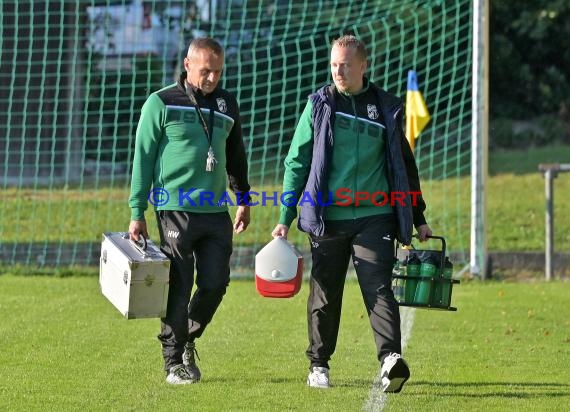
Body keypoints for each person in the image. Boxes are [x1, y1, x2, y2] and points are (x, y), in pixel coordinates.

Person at [271, 35, 432, 392]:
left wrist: (418, 216)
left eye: (344, 64)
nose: (338, 70)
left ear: (363, 65)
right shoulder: (319, 105)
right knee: (325, 293)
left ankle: (390, 360)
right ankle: (318, 365)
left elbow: (404, 166)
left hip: (376, 216)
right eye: (333, 64)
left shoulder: (386, 107)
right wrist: (284, 217)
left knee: (379, 287)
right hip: (329, 218)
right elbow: (296, 162)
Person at [128, 37, 251, 385]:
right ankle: (172, 363)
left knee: (216, 282)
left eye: (217, 71)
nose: (211, 78)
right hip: (174, 209)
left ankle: (187, 339)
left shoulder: (227, 103)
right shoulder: (160, 103)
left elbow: (236, 154)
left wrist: (243, 198)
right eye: (205, 71)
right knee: (178, 286)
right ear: (187, 65)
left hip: (216, 212)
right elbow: (143, 160)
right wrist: (137, 211)